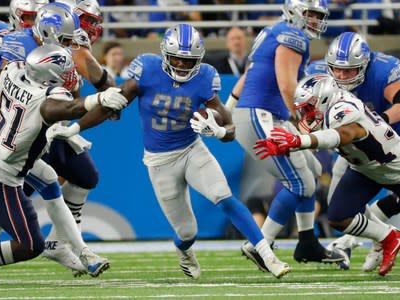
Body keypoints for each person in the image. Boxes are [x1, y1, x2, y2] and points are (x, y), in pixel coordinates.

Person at [52, 23, 291, 280]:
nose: (182, 66)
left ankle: (268, 255)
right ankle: (185, 252)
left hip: (191, 150)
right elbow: (111, 106)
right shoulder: (147, 71)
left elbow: (228, 124)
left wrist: (219, 132)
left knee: (224, 197)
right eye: (177, 59)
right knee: (187, 233)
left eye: (188, 61)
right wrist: (75, 128)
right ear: (165, 54)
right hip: (159, 161)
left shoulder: (205, 78)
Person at [0, 44, 127, 285]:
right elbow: (70, 107)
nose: (70, 75)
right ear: (48, 75)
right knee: (30, 245)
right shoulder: (44, 100)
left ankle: (82, 250)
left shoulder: (14, 71)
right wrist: (98, 98)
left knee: (49, 180)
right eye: (65, 71)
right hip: (0, 177)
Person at [253, 73, 400, 276]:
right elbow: (321, 135)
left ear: (324, 98)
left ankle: (389, 236)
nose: (307, 114)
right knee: (338, 217)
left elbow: (342, 135)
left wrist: (299, 141)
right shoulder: (330, 107)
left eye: (309, 107)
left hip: (397, 167)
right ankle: (389, 237)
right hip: (365, 169)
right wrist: (288, 145)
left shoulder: (343, 109)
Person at [225, 0, 345, 269]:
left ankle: (307, 242)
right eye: (311, 14)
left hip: (264, 114)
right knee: (300, 183)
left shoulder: (271, 31)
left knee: (312, 170)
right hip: (262, 115)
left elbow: (247, 76)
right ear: (295, 11)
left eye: (318, 16)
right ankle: (261, 243)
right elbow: (286, 85)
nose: (315, 20)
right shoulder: (293, 35)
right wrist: (303, 122)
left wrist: (227, 110)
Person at [324, 31, 400, 272]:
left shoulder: (381, 68)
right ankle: (371, 239)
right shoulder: (324, 79)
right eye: (336, 69)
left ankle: (363, 241)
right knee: (337, 207)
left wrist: (379, 122)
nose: (341, 75)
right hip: (364, 147)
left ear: (364, 64)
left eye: (349, 70)